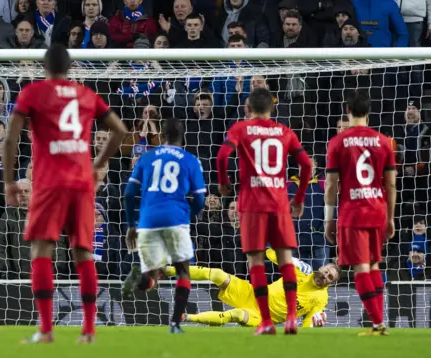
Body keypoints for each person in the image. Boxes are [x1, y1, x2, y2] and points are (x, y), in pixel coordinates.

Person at [2, 43, 127, 343]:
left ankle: (46, 330)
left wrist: (9, 182)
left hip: (49, 183)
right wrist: (97, 164)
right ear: (70, 68)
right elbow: (120, 131)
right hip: (82, 182)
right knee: (82, 251)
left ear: (44, 68)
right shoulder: (86, 95)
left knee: (42, 250)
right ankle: (89, 330)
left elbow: (10, 139)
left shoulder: (32, 93)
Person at [215, 87, 313, 335]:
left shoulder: (240, 129)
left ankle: (267, 322)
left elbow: (222, 154)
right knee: (285, 260)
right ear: (272, 107)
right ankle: (291, 318)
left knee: (256, 262)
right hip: (279, 204)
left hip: (252, 205)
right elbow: (306, 164)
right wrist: (299, 198)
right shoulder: (285, 132)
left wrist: (224, 182)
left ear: (248, 108)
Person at [121, 117, 206, 334]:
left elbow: (130, 193)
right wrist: (188, 214)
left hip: (148, 219)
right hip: (176, 217)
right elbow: (199, 200)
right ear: (182, 135)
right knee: (182, 271)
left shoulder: (147, 157)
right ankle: (175, 323)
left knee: (150, 277)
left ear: (162, 135)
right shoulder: (190, 160)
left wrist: (131, 225)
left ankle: (142, 275)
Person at [324, 89, 397, 336]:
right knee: (374, 266)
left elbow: (332, 185)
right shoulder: (384, 141)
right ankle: (379, 322)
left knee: (361, 269)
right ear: (368, 112)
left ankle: (377, 324)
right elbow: (391, 184)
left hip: (352, 212)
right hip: (377, 209)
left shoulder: (337, 142)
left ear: (347, 111)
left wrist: (328, 218)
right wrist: (390, 217)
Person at [165, 249, 340, 328]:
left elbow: (308, 322)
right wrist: (292, 260)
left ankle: (187, 317)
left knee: (235, 314)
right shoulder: (301, 271)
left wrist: (311, 331)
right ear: (321, 268)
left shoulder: (320, 299)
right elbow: (270, 253)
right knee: (217, 274)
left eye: (329, 277)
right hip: (253, 293)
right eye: (326, 271)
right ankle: (167, 270)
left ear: (330, 283)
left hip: (263, 317)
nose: (325, 276)